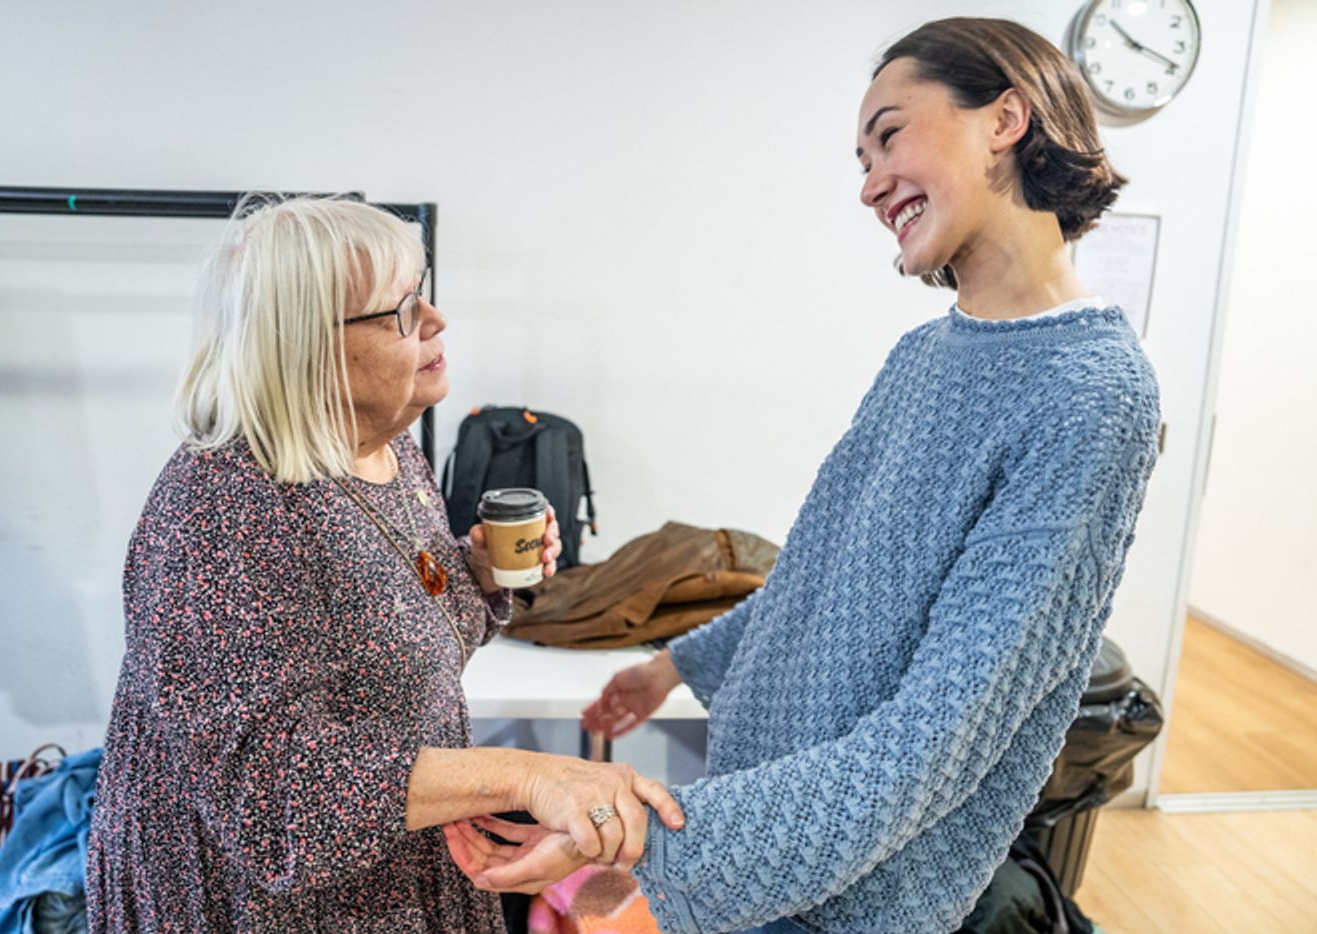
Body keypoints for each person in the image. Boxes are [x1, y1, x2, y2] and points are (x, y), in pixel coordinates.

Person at [445, 17, 1160, 934]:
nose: (867, 185)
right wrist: (671, 667)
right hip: (765, 837)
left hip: (852, 896)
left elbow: (935, 742)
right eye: (860, 158)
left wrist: (633, 846)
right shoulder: (924, 356)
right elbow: (821, 586)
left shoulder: (1091, 393)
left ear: (1006, 119)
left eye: (890, 134)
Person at [85, 197, 683, 933]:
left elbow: (397, 642)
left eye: (423, 291)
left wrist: (476, 576)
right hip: (265, 907)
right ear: (306, 346)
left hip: (391, 866)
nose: (435, 320)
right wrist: (528, 773)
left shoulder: (387, 448)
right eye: (400, 311)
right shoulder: (222, 507)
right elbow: (274, 799)